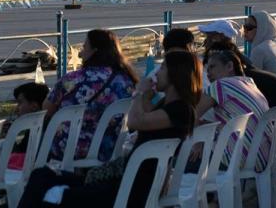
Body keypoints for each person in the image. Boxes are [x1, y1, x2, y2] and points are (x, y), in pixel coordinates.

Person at [18, 52, 199, 208]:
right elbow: (145, 117)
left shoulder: (181, 110)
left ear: (176, 74)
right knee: (41, 175)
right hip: (125, 181)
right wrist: (145, 96)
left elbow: (136, 121)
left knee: (50, 192)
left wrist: (139, 94)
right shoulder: (170, 106)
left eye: (163, 69)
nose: (157, 73)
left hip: (130, 188)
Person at [43, 29, 137, 163]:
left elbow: (46, 109)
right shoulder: (126, 80)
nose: (80, 52)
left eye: (84, 46)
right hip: (110, 148)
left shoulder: (72, 79)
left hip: (69, 149)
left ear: (94, 51)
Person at [197, 49, 270, 167]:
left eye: (213, 67)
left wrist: (198, 140)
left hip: (236, 159)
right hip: (264, 157)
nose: (208, 73)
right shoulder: (249, 83)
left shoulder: (220, 85)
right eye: (207, 69)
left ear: (230, 66)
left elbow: (191, 115)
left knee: (177, 160)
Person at [5, 82, 49, 168]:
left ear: (34, 106)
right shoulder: (49, 125)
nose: (16, 109)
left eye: (20, 103)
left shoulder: (34, 131)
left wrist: (10, 135)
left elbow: (17, 157)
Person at [244, 10, 276, 75]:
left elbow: (251, 78)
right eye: (244, 27)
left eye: (249, 27)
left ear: (261, 29)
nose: (245, 31)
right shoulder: (273, 46)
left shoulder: (259, 50)